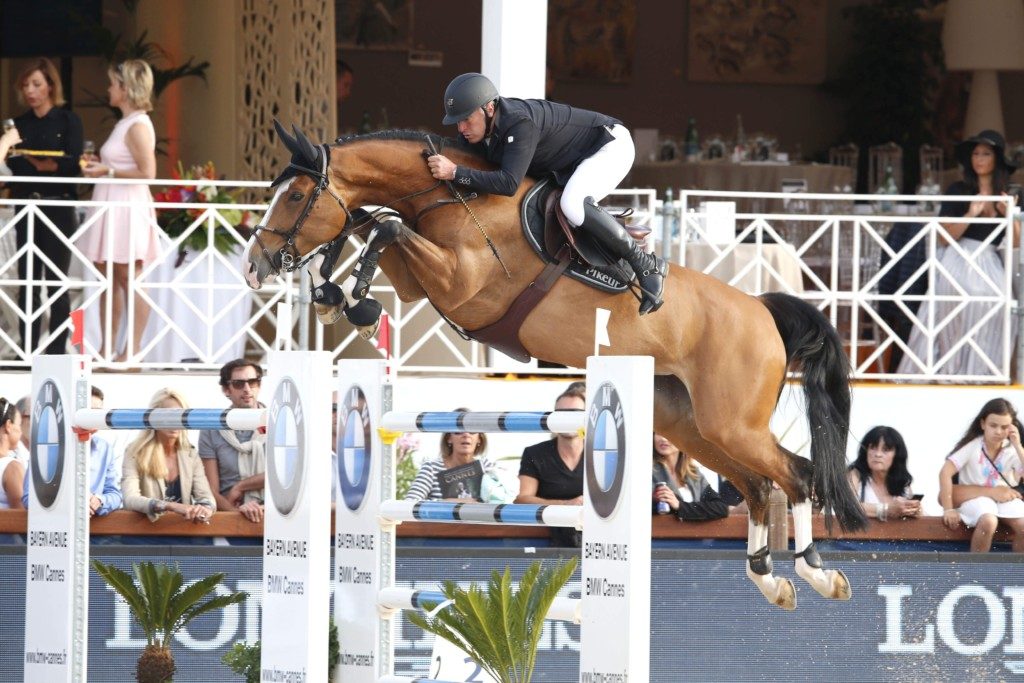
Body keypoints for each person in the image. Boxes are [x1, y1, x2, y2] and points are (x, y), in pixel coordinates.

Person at [428, 72, 666, 315]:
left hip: (610, 147)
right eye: (457, 122)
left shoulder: (519, 123)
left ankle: (646, 265)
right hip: (571, 161)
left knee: (572, 204)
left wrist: (455, 172)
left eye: (466, 120)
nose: (461, 128)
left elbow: (508, 183)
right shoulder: (481, 129)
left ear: (489, 107)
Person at [897, 130, 1020, 376]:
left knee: (999, 305)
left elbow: (1017, 242)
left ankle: (983, 373)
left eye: (985, 153)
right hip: (958, 257)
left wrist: (1010, 215)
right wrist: (971, 214)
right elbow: (944, 237)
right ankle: (952, 370)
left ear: (996, 159)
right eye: (975, 154)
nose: (979, 159)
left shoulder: (1011, 195)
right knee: (961, 294)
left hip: (991, 259)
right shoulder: (959, 190)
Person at [78, 59, 161, 362]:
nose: (109, 89)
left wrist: (107, 172)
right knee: (109, 279)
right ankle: (107, 348)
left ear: (125, 89)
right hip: (113, 204)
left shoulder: (138, 124)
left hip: (127, 207)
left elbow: (148, 173)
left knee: (129, 278)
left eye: (113, 84)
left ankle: (132, 350)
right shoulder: (125, 123)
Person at [4, 58, 84, 355]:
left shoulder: (68, 121)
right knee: (28, 281)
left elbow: (72, 165)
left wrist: (40, 165)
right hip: (27, 207)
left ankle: (57, 351)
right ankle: (27, 349)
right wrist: (45, 165)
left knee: (56, 281)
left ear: (50, 86)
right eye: (25, 85)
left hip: (59, 207)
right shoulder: (20, 124)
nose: (30, 91)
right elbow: (12, 164)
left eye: (36, 84)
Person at [21, 385, 122, 517]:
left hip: (96, 532)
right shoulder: (48, 444)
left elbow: (115, 495)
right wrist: (73, 504)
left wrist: (99, 501)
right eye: (89, 412)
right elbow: (29, 498)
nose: (94, 418)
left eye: (98, 413)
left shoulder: (105, 448)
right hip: (57, 528)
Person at [940, 398, 1024, 552]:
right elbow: (945, 471)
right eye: (993, 425)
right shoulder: (973, 446)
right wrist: (948, 509)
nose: (998, 431)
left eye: (1004, 427)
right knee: (988, 521)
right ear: (983, 424)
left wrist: (1018, 445)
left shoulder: (1011, 449)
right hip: (975, 500)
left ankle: (1018, 574)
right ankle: (976, 572)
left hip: (1003, 500)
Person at [121, 388, 215, 524]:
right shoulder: (135, 451)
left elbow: (206, 497)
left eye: (180, 416)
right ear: (153, 418)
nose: (175, 422)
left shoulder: (190, 453)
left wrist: (206, 509)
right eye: (168, 416)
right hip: (143, 535)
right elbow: (129, 499)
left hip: (182, 533)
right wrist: (170, 506)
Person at [515, 386, 586, 547]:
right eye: (561, 414)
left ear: (586, 417)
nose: (568, 419)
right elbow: (522, 499)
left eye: (575, 413)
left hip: (596, 541)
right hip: (549, 542)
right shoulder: (535, 453)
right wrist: (565, 506)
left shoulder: (601, 454)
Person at [198, 359, 265, 525]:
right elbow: (211, 489)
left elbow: (285, 476)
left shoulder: (280, 423)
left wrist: (240, 487)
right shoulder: (211, 428)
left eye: (253, 382)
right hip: (229, 516)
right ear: (226, 389)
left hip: (273, 513)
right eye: (238, 384)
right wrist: (235, 514)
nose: (247, 389)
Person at [404, 410, 496, 502]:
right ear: (449, 438)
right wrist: (449, 503)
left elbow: (500, 500)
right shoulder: (431, 468)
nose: (466, 434)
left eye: (472, 430)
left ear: (479, 439)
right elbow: (410, 502)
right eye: (458, 430)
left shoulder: (486, 466)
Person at [847, 426, 920, 521]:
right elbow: (847, 506)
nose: (878, 454)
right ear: (865, 451)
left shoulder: (903, 485)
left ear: (897, 455)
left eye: (885, 450)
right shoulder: (855, 474)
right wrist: (886, 509)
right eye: (873, 448)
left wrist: (916, 511)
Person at [651, 433, 728, 521]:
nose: (664, 438)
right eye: (659, 433)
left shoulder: (694, 474)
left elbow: (721, 508)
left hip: (693, 534)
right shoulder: (644, 472)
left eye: (668, 433)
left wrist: (679, 506)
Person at [0, 398, 25, 510]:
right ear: (8, 425)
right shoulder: (11, 467)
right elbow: (20, 518)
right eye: (19, 425)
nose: (21, 431)